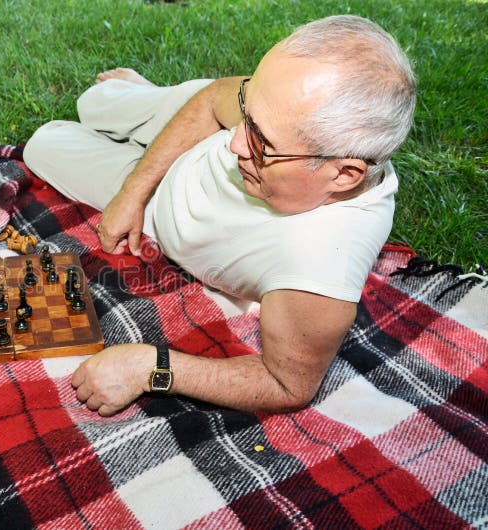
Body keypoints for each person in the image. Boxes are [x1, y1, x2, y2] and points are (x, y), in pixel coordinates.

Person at [22, 15, 416, 417]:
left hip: (163, 208)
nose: (233, 143)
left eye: (262, 142)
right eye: (247, 113)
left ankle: (140, 104)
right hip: (183, 128)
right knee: (93, 101)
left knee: (45, 142)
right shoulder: (288, 107)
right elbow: (213, 101)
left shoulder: (323, 269)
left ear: (344, 174)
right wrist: (130, 193)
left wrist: (151, 368)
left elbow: (286, 384)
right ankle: (150, 96)